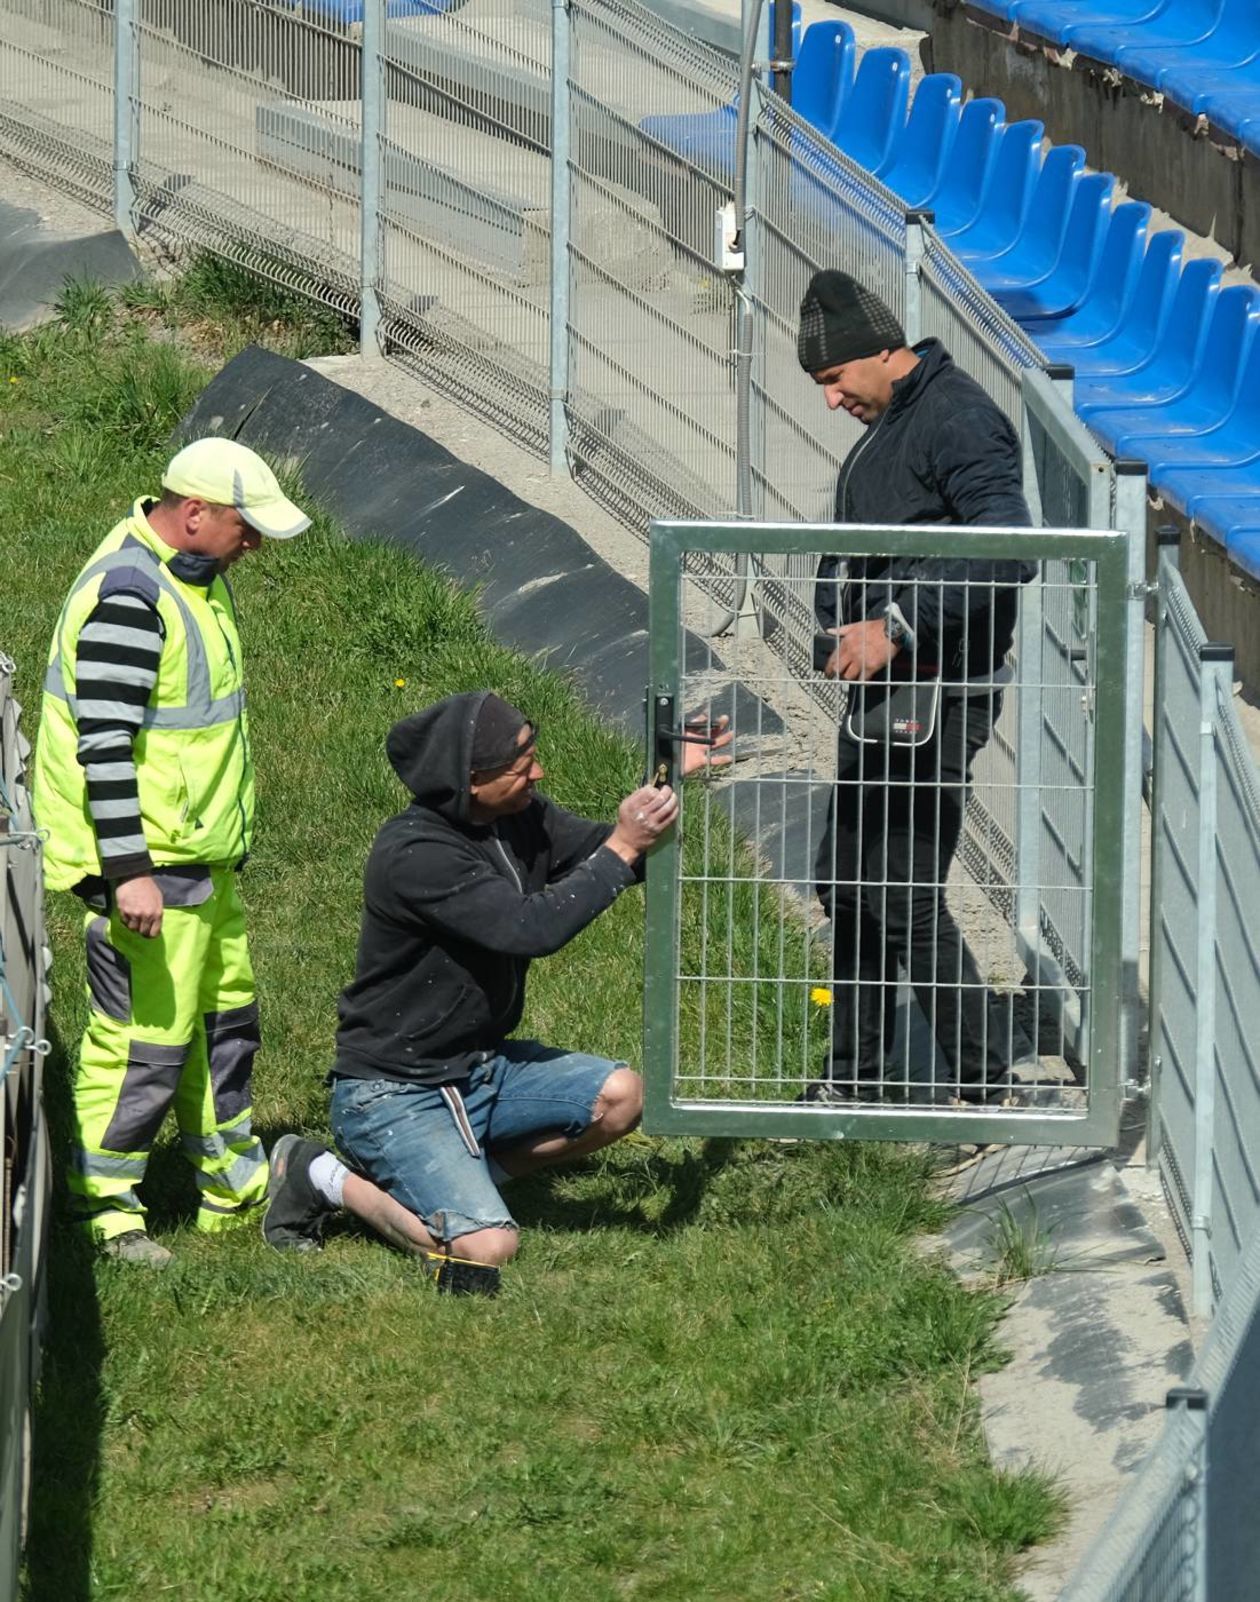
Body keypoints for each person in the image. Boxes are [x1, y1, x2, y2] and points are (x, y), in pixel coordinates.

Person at [261, 691, 728, 1294]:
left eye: (533, 754)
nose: (539, 772)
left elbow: (623, 857)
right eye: (521, 765)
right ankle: (318, 1175)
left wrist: (668, 782)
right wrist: (623, 845)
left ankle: (471, 1180)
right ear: (470, 781)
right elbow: (529, 928)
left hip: (480, 1069)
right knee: (486, 1249)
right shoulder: (417, 855)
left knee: (622, 1097)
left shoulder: (518, 817)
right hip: (396, 1090)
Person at [34, 438, 310, 1266]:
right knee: (144, 1039)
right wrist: (129, 873)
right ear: (194, 514)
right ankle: (101, 1205)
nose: (254, 545)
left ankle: (233, 1184)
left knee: (225, 1020)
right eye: (245, 527)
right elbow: (105, 746)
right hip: (150, 869)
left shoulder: (193, 574)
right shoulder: (132, 595)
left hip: (202, 858)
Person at [796, 269, 1034, 1106]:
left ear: (879, 352)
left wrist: (894, 625)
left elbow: (1008, 543)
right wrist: (835, 617)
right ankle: (855, 1080)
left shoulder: (957, 418)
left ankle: (984, 1085)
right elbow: (869, 538)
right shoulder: (897, 418)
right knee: (850, 881)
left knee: (899, 887)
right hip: (889, 698)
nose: (829, 401)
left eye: (831, 380)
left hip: (939, 695)